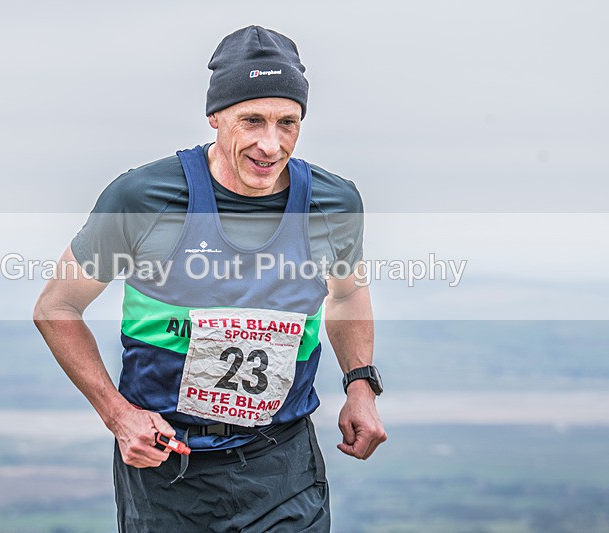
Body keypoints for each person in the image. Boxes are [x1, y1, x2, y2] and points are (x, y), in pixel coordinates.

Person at [34, 25, 387, 532]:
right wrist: (118, 415)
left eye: (288, 123)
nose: (271, 144)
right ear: (215, 117)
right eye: (253, 120)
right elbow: (56, 307)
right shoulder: (144, 198)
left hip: (283, 462)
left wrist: (360, 385)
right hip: (166, 466)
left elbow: (348, 293)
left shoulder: (333, 203)